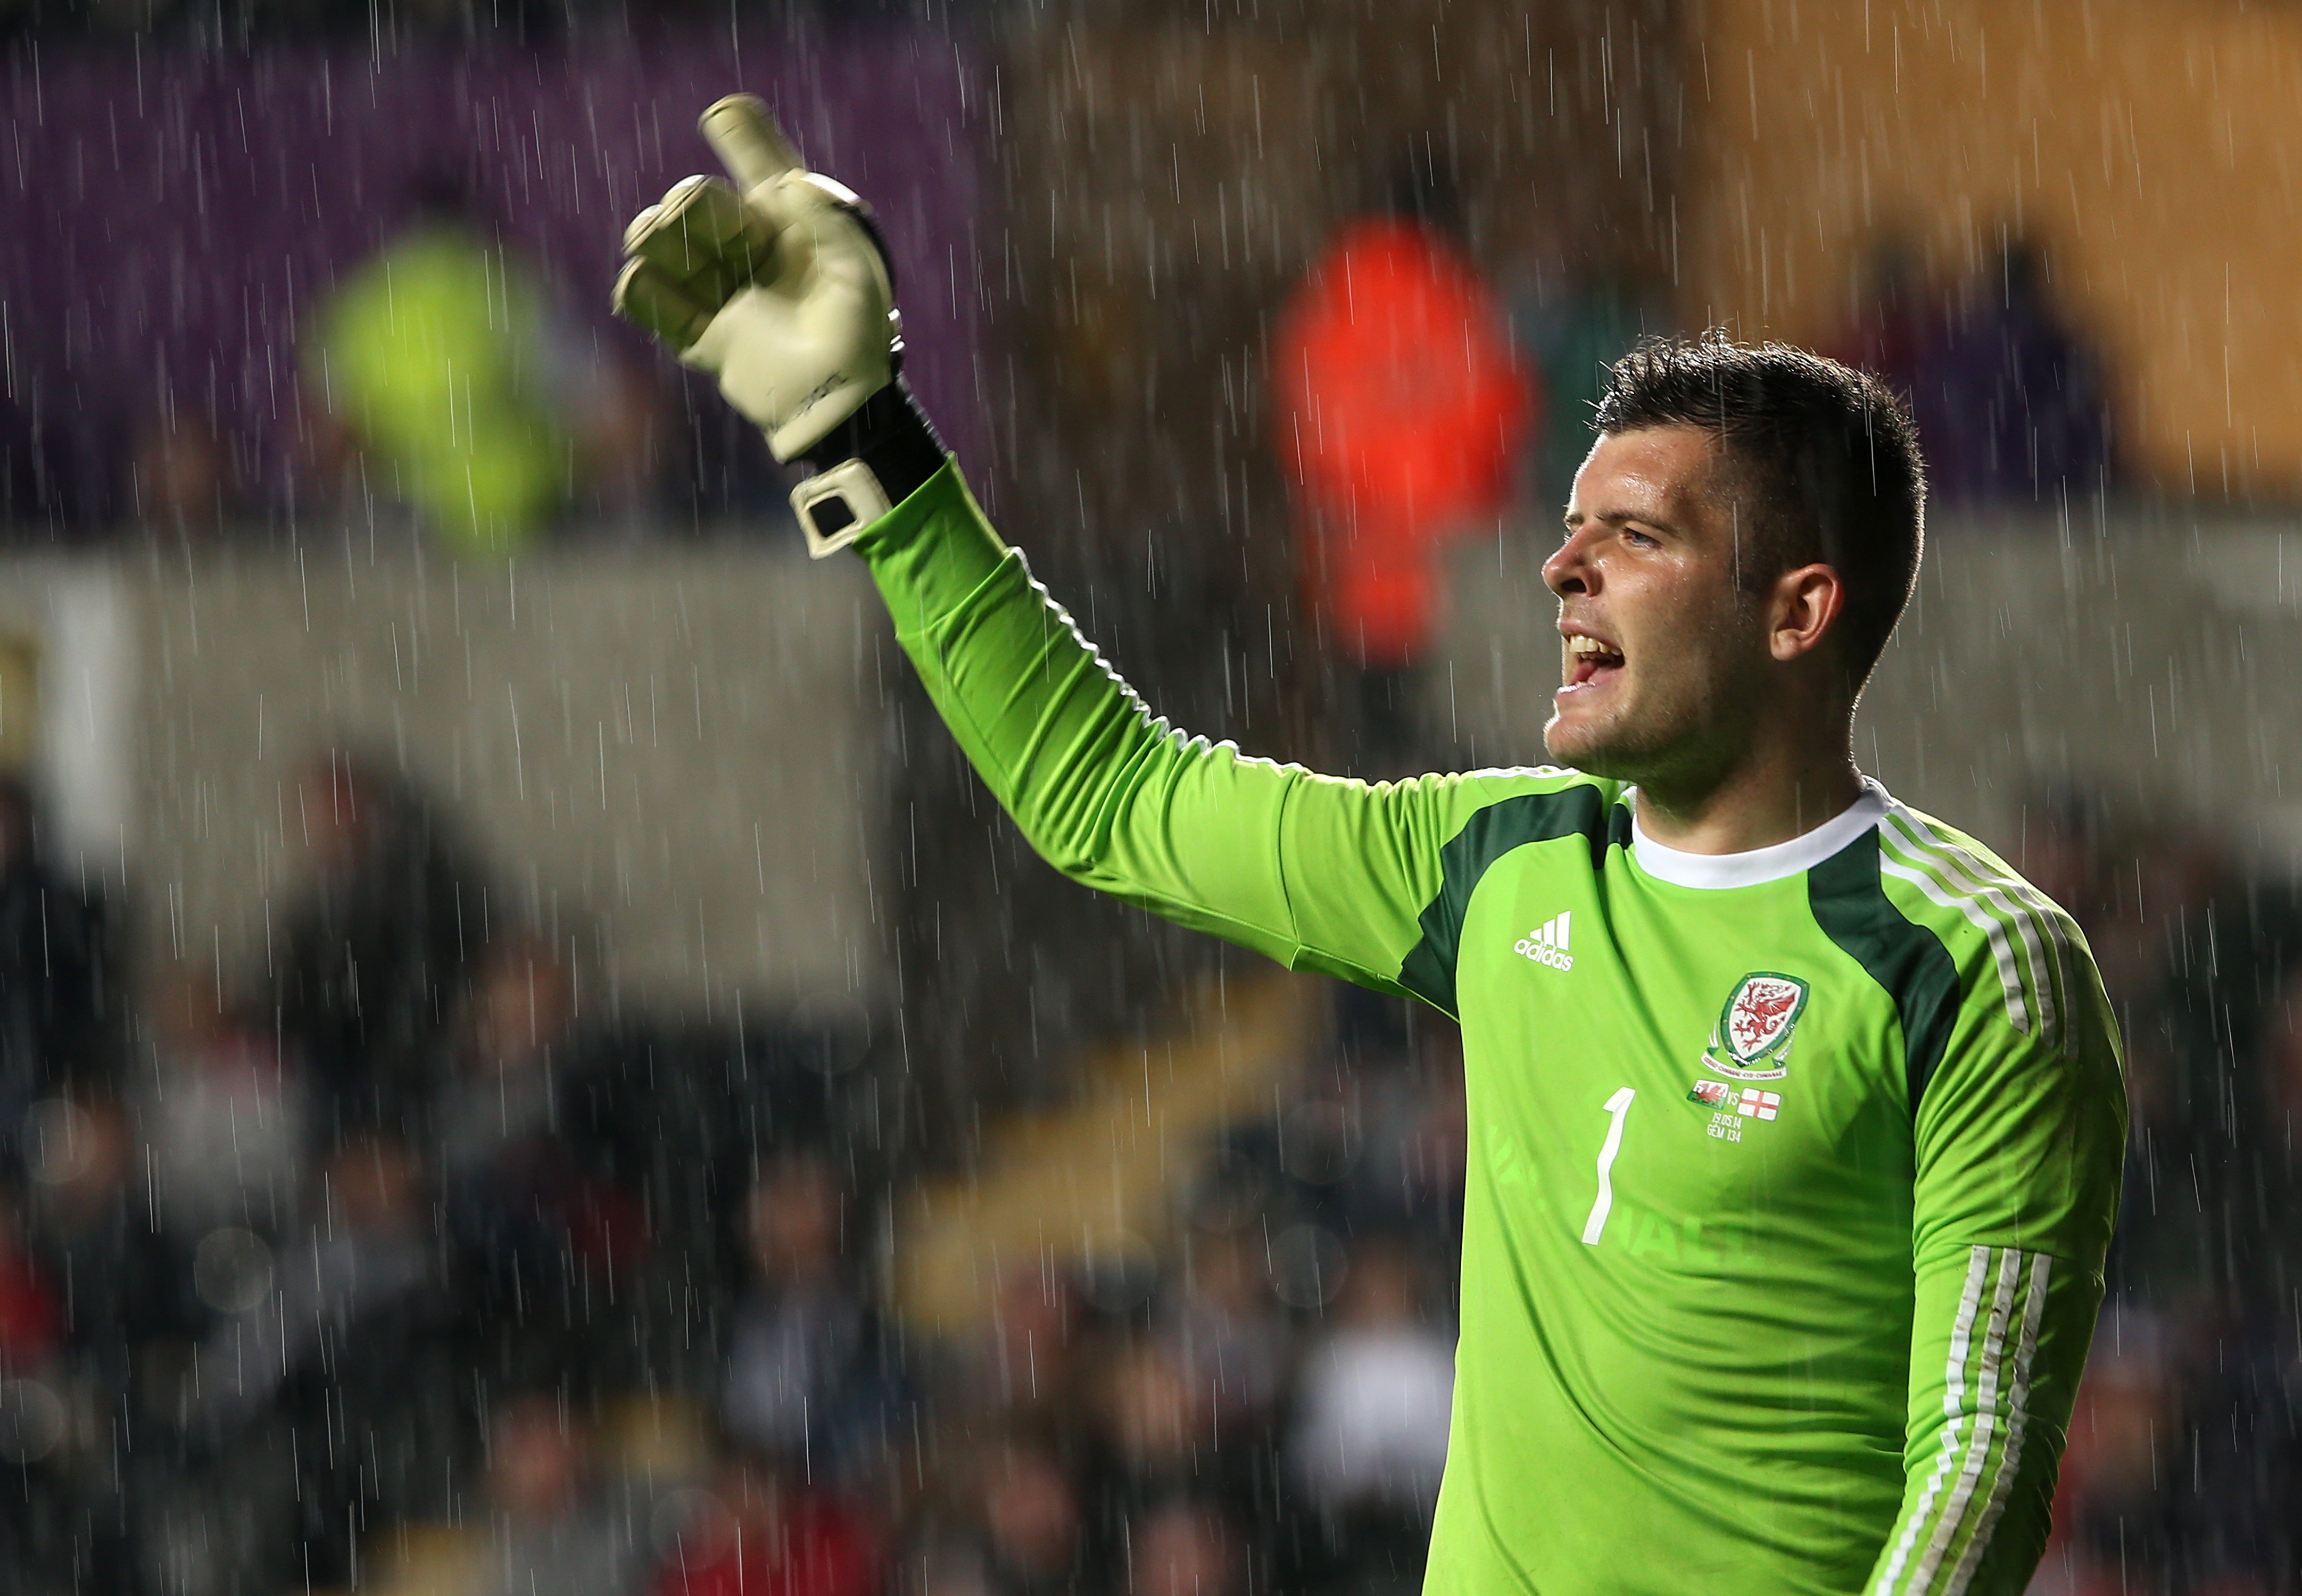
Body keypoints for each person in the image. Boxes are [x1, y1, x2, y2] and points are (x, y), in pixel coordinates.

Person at [612, 97, 2126, 1596]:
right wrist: (860, 438)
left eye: (1639, 537)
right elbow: (1109, 795)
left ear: (1798, 613)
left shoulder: (1972, 967)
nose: (1563, 566)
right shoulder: (1500, 862)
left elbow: (1980, 1453)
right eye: (1573, 524)